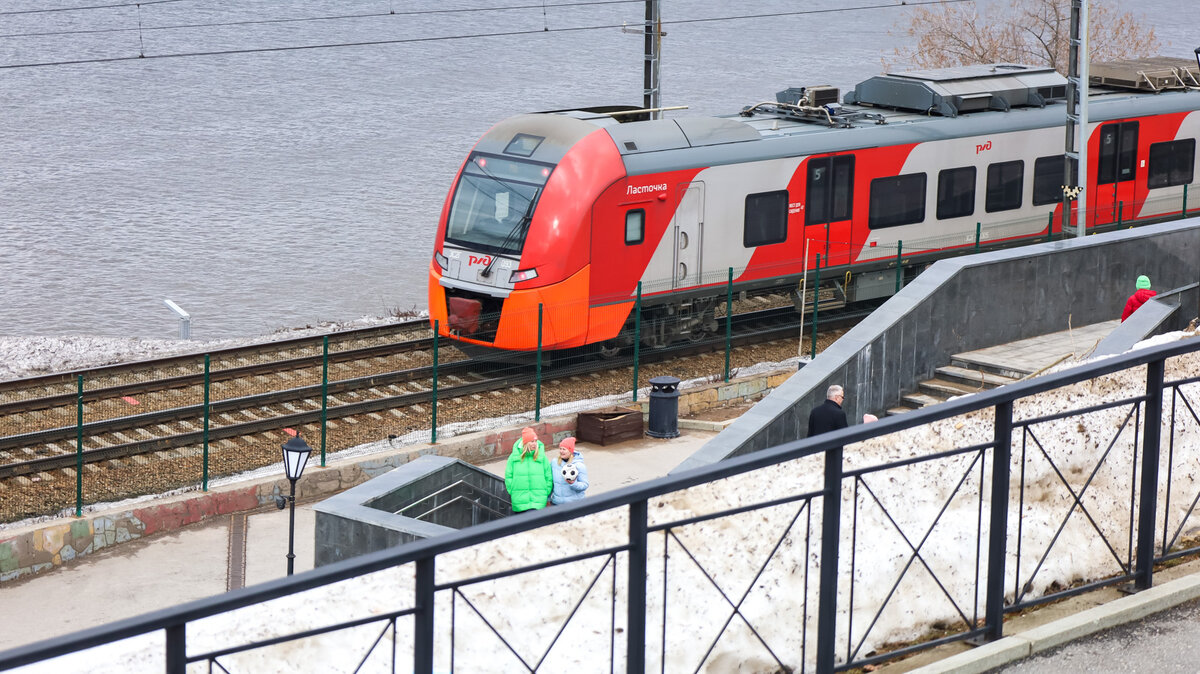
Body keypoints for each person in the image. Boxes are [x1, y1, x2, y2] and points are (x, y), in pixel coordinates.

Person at [505, 427, 553, 513]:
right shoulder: (514, 457)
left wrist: (546, 490)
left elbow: (548, 475)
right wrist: (512, 490)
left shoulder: (541, 457)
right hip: (520, 501)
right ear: (525, 443)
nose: (534, 444)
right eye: (532, 441)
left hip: (538, 500)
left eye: (535, 441)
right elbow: (508, 476)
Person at [550, 436, 589, 505]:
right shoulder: (554, 463)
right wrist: (548, 498)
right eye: (560, 449)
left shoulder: (579, 466)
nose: (561, 451)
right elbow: (551, 482)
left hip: (574, 504)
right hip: (557, 503)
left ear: (570, 451)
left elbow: (585, 485)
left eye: (564, 449)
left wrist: (573, 483)